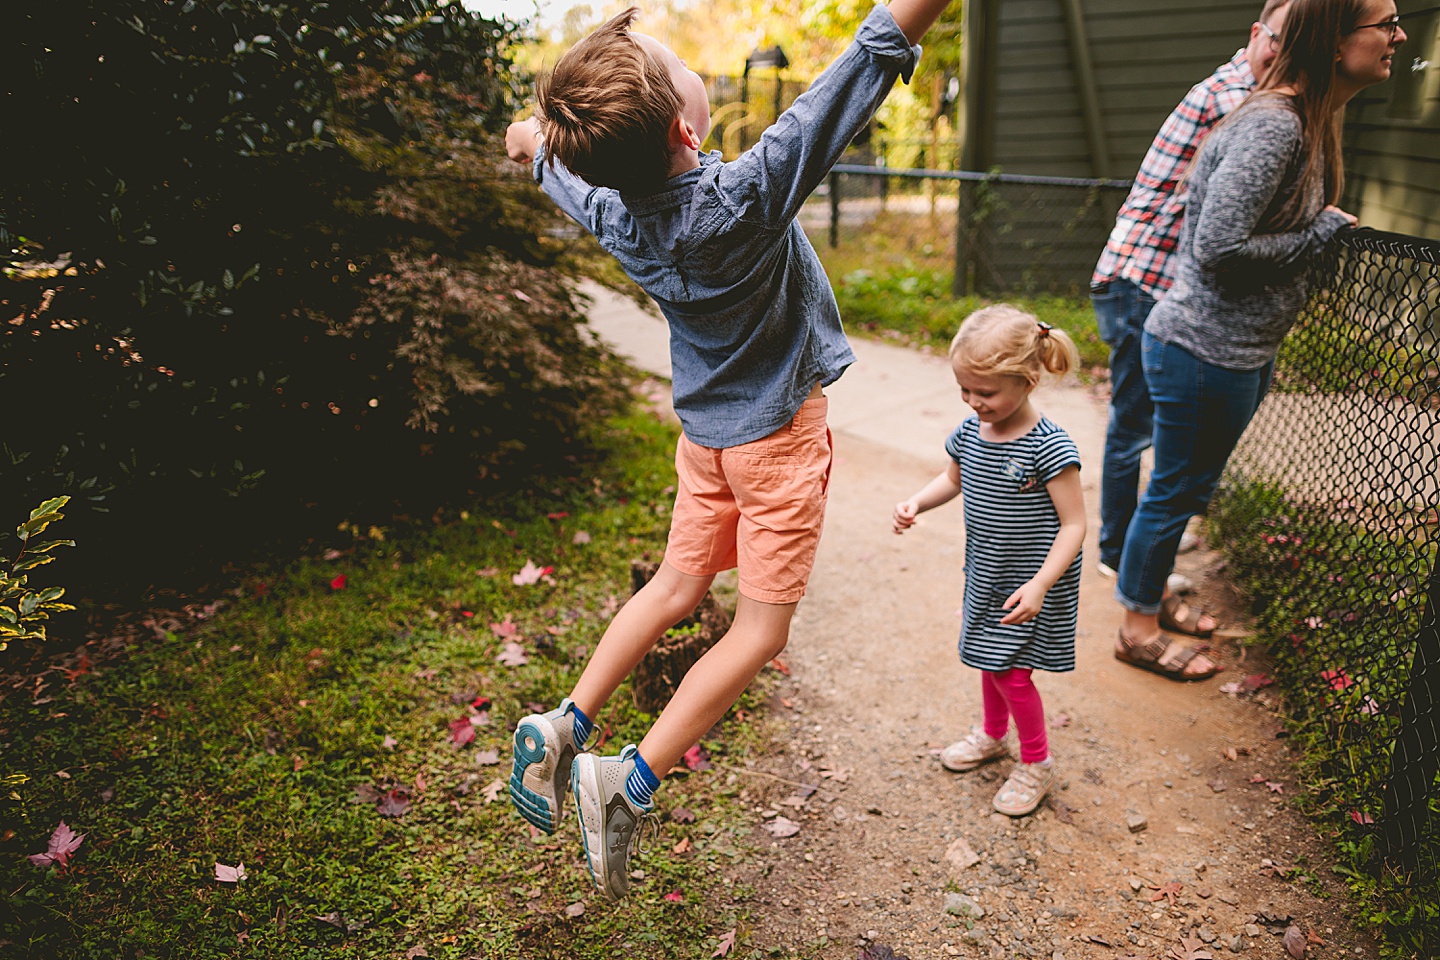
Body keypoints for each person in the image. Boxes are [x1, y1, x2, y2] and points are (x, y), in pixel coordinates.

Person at [503, 0, 958, 899]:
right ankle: (624, 785)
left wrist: (528, 136)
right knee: (760, 629)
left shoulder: (614, 210)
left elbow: (541, 153)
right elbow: (858, 70)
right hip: (778, 444)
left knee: (676, 590)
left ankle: (564, 723)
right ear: (683, 122)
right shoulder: (744, 198)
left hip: (704, 443)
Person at [1113, 0, 1404, 680]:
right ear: (1335, 41)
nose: (1399, 35)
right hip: (1203, 349)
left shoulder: (1304, 119)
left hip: (1234, 349)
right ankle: (1135, 629)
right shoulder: (1275, 127)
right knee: (1175, 492)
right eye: (1384, 23)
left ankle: (1148, 602)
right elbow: (1218, 246)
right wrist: (1322, 230)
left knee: (1185, 488)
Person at [1090, 0, 1292, 671]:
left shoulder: (1256, 97)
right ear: (1257, 37)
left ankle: (1133, 572)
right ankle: (1123, 564)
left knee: (1146, 438)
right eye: (1277, 38)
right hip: (1142, 279)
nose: (1281, 53)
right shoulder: (1241, 97)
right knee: (1134, 430)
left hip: (1156, 281)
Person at [892, 306, 1086, 817]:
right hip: (988, 576)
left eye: (986, 393)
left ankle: (1037, 762)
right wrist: (917, 501)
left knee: (1013, 675)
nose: (974, 403)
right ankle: (994, 735)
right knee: (988, 655)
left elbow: (1075, 525)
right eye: (965, 391)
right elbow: (954, 479)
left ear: (1027, 380)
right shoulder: (972, 432)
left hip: (1034, 584)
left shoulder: (1050, 448)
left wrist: (1042, 584)